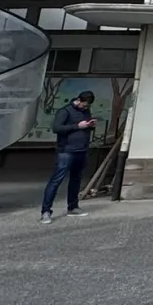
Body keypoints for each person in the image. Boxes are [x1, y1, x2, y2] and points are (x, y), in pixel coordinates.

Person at [41, 90, 98, 223]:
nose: (85, 108)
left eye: (87, 106)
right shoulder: (64, 111)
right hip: (66, 150)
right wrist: (77, 126)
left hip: (81, 150)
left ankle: (73, 207)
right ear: (78, 100)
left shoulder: (86, 111)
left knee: (76, 179)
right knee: (56, 180)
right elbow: (56, 128)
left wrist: (90, 126)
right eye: (84, 105)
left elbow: (85, 126)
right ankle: (46, 211)